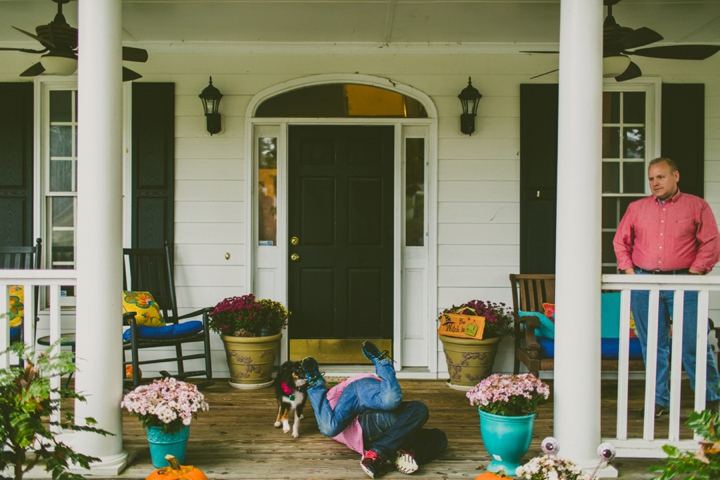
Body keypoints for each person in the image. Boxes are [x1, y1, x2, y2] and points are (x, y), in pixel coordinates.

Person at [613, 157, 720, 418]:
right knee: (652, 344)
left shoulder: (697, 206)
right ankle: (659, 400)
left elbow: (711, 243)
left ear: (676, 176)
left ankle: (710, 398)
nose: (655, 183)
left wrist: (694, 273)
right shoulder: (637, 208)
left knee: (692, 342)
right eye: (651, 178)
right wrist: (630, 274)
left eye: (660, 177)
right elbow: (620, 242)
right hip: (643, 282)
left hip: (684, 281)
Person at [302, 342, 447, 478]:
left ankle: (391, 453)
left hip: (380, 429)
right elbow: (329, 420)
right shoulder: (332, 402)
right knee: (404, 405)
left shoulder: (336, 401)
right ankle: (393, 452)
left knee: (439, 436)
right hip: (367, 417)